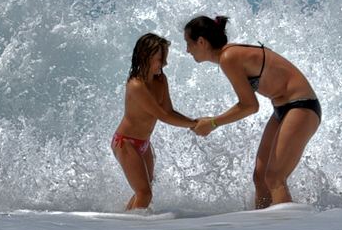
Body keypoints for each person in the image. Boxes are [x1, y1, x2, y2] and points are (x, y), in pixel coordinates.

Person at [185, 15, 321, 209]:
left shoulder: (228, 57)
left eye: (188, 43)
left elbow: (250, 106)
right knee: (260, 176)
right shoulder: (228, 56)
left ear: (201, 42)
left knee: (274, 177)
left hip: (302, 106)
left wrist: (213, 123)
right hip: (283, 108)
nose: (187, 50)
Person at [111, 33, 198, 210]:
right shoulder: (136, 85)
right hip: (126, 143)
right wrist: (195, 124)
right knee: (145, 193)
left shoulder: (161, 80)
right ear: (146, 57)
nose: (165, 63)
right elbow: (162, 116)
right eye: (161, 58)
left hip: (144, 143)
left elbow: (169, 111)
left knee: (143, 190)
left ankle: (124, 221)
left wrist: (194, 122)